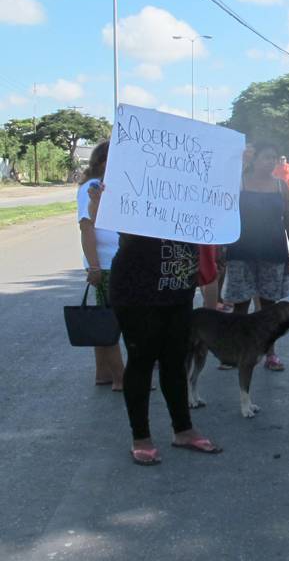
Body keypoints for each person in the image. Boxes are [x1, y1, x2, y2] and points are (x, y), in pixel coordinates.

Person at [92, 186, 222, 465]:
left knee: (175, 360)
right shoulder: (136, 180)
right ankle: (141, 437)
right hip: (137, 289)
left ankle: (183, 430)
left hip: (178, 286)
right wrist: (103, 203)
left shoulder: (190, 181)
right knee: (142, 359)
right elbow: (106, 223)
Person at [223, 143, 289, 371]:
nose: (271, 162)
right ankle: (236, 352)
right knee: (240, 306)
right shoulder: (239, 184)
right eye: (266, 157)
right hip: (241, 253)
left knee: (268, 308)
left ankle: (270, 354)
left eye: (274, 158)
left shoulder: (281, 187)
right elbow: (224, 214)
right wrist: (220, 248)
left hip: (273, 253)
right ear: (254, 160)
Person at [76, 141, 124, 391]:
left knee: (103, 318)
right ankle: (120, 378)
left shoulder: (105, 185)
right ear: (105, 161)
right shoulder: (92, 187)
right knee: (112, 321)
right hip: (105, 265)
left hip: (109, 262)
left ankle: (103, 373)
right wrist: (94, 266)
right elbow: (86, 227)